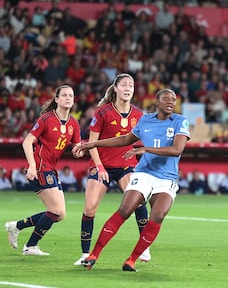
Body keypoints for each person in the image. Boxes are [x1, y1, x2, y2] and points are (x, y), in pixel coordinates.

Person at [72, 89, 190, 272]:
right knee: (126, 209)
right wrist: (94, 143)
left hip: (167, 178)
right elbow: (125, 139)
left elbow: (177, 149)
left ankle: (131, 260)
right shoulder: (145, 120)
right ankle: (93, 255)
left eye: (173, 99)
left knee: (158, 215)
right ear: (156, 102)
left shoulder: (179, 121)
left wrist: (146, 149)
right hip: (144, 173)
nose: (171, 102)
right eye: (166, 98)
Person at [73, 73, 150, 266]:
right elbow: (92, 142)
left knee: (138, 200)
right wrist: (99, 167)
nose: (128, 88)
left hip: (126, 166)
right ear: (115, 88)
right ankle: (84, 254)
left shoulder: (139, 115)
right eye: (124, 84)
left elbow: (146, 140)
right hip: (102, 164)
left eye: (131, 85)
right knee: (90, 208)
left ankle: (144, 247)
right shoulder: (103, 112)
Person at [5, 85, 81, 255]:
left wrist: (80, 150)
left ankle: (16, 226)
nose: (68, 98)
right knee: (55, 211)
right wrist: (31, 165)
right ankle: (30, 246)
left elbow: (77, 147)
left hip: (52, 169)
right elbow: (27, 142)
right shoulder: (47, 119)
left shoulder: (73, 124)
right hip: (39, 167)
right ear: (57, 99)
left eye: (71, 95)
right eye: (65, 95)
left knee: (59, 214)